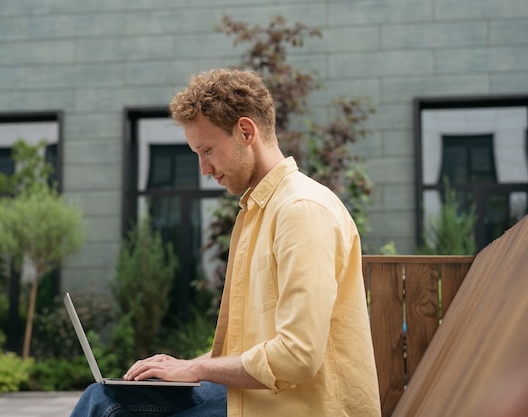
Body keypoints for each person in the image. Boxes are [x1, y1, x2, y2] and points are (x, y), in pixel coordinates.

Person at [69, 68, 381, 417]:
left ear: (246, 131)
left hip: (301, 408)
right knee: (106, 397)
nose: (203, 168)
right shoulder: (257, 212)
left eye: (207, 150)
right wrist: (183, 366)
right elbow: (249, 350)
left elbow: (297, 357)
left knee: (110, 410)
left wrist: (197, 370)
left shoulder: (301, 211)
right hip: (258, 400)